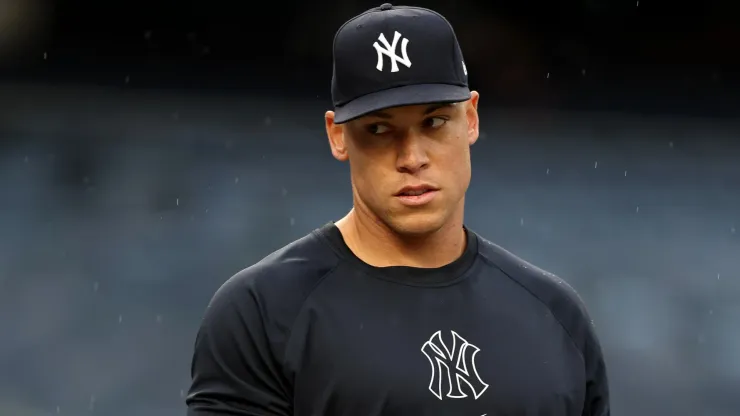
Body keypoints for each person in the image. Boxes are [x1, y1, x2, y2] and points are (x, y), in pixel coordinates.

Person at [185, 3, 610, 416]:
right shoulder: (263, 312)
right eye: (380, 128)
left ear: (472, 119)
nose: (412, 156)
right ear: (338, 136)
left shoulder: (556, 316)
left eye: (435, 122)